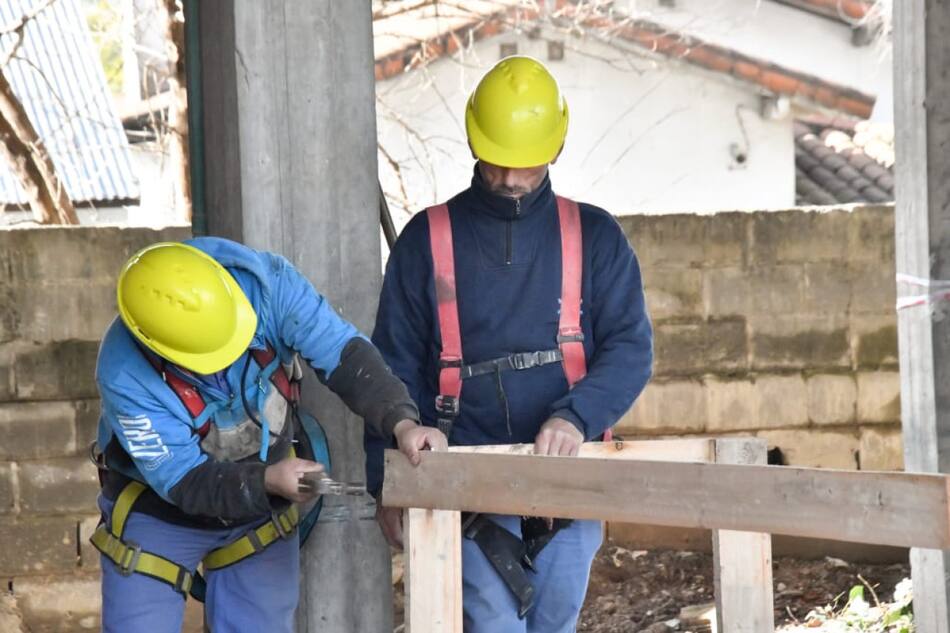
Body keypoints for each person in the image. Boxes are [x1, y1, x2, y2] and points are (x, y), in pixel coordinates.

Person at [366, 55, 654, 632]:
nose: (514, 179)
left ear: (557, 147)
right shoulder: (429, 238)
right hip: (462, 476)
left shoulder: (594, 237)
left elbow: (631, 348)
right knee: (493, 624)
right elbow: (391, 363)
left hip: (569, 478)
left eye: (528, 164)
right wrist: (388, 481)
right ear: (476, 142)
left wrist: (575, 418)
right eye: (500, 163)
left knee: (555, 623)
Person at [92, 237, 446, 633]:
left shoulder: (268, 287)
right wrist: (268, 480)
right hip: (161, 508)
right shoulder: (124, 373)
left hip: (259, 509)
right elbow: (184, 480)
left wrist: (403, 422)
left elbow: (345, 356)